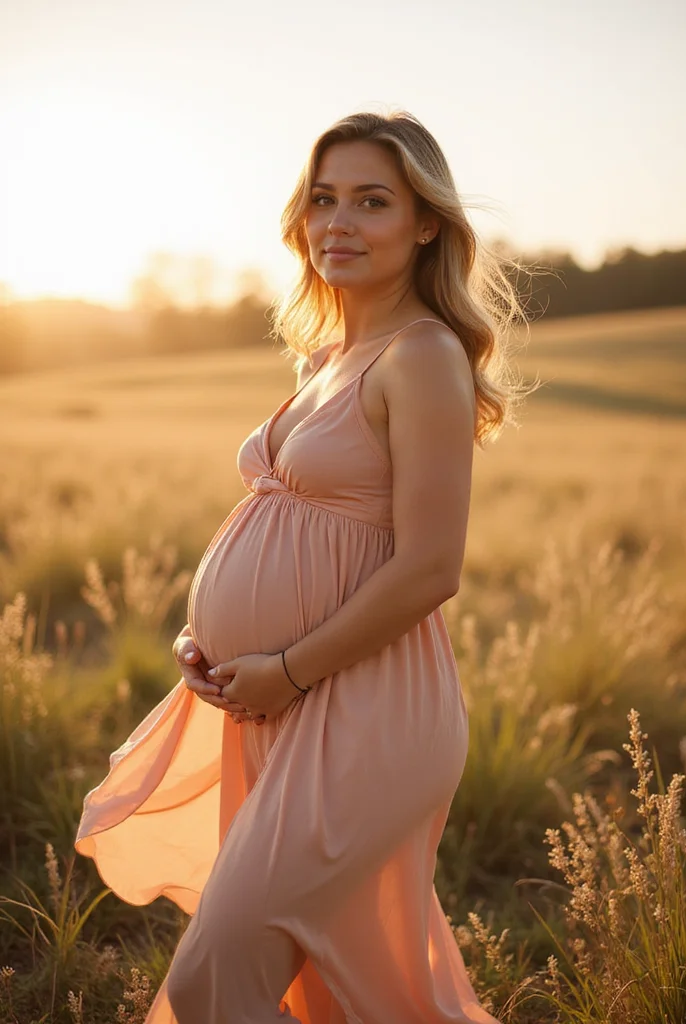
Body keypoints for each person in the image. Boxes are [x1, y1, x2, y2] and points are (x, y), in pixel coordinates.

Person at [75, 109, 533, 1023]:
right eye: (324, 199)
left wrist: (285, 667)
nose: (339, 223)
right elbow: (279, 519)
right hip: (275, 701)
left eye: (372, 201)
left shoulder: (425, 357)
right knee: (347, 988)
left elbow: (430, 567)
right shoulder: (325, 357)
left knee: (220, 970)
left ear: (426, 221)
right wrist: (202, 636)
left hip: (368, 707)